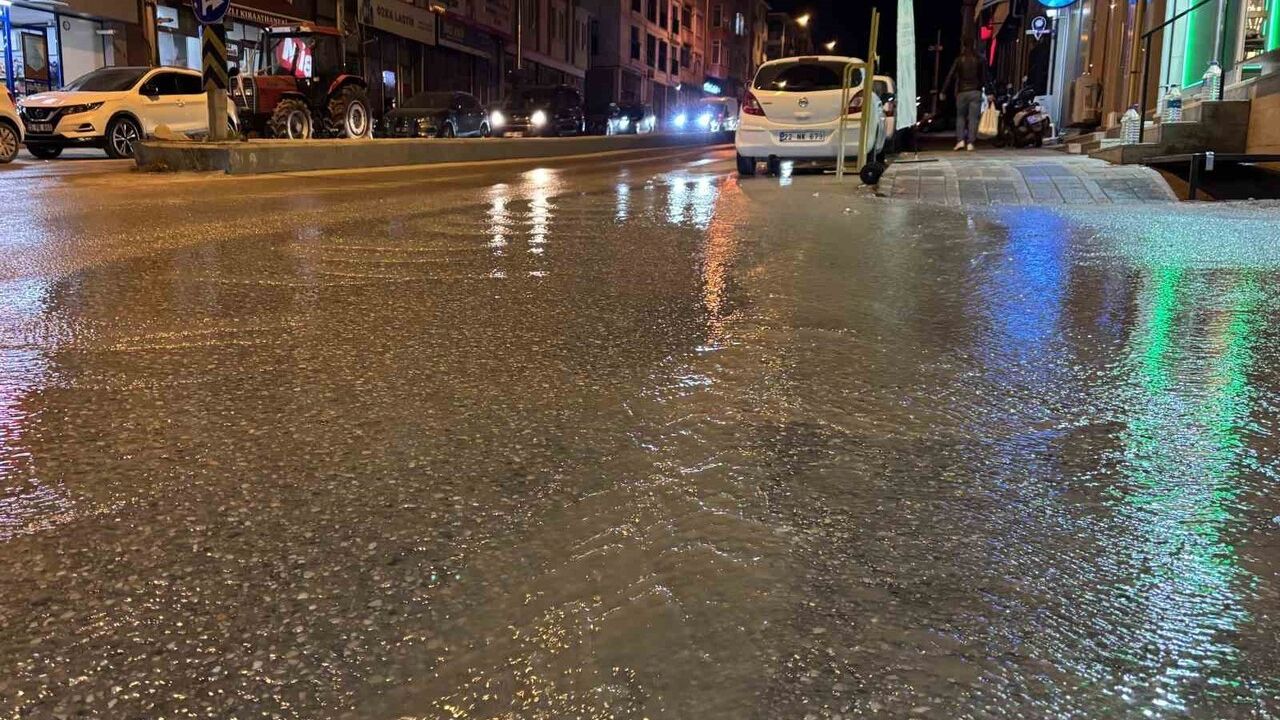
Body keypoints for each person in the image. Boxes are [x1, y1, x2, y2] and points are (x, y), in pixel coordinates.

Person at [940, 38, 993, 151]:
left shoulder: (959, 59)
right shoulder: (980, 59)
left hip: (962, 92)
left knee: (960, 117)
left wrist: (943, 91)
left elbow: (950, 75)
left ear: (963, 45)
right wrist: (989, 92)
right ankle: (970, 143)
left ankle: (960, 141)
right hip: (975, 92)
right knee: (973, 118)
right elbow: (985, 77)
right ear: (974, 44)